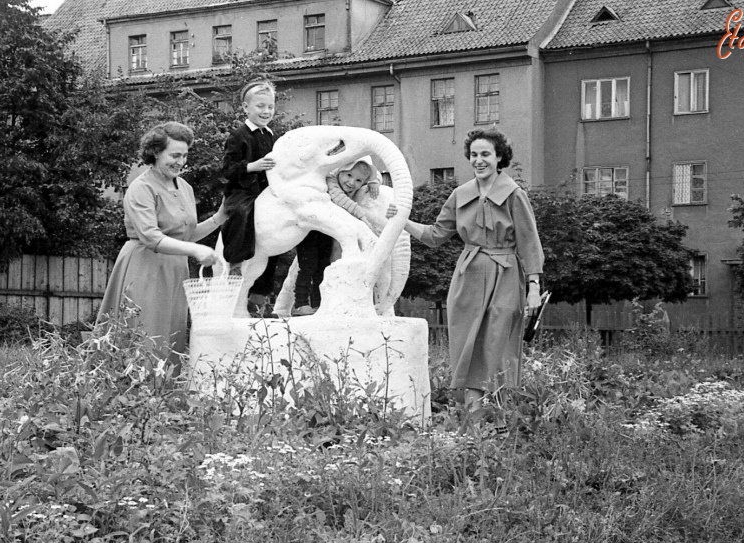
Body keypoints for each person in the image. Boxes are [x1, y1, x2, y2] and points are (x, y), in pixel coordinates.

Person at [390, 129, 544, 401]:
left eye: (486, 154)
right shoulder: (460, 194)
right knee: (468, 344)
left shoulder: (514, 195)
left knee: (499, 343)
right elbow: (436, 236)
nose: (479, 160)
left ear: (499, 158)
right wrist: (402, 220)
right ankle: (472, 418)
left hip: (505, 276)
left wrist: (534, 287)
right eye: (474, 155)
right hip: (468, 276)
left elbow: (529, 243)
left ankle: (500, 417)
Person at [97, 121, 227, 368]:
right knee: (143, 336)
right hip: (144, 267)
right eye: (175, 155)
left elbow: (184, 235)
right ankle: (126, 399)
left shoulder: (185, 187)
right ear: (156, 153)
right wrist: (195, 250)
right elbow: (151, 237)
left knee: (171, 338)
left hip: (175, 272)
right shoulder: (141, 187)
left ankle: (164, 399)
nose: (181, 161)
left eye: (185, 155)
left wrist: (218, 218)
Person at [292, 158, 380, 316]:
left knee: (323, 267)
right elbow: (340, 199)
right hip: (311, 230)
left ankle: (318, 304)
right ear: (340, 171)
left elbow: (368, 179)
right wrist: (363, 217)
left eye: (359, 180)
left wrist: (372, 182)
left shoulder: (350, 189)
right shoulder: (331, 182)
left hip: (327, 232)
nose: (352, 182)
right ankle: (300, 303)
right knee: (308, 266)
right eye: (349, 175)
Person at [220, 80, 278, 315]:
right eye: (260, 106)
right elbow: (228, 170)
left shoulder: (270, 134)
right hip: (243, 190)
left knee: (277, 236)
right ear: (246, 108)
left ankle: (261, 293)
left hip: (266, 190)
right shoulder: (238, 135)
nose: (266, 112)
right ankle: (235, 263)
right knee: (242, 214)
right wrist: (252, 166)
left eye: (270, 107)